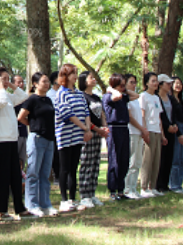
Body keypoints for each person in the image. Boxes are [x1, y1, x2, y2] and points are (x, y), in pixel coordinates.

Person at [0, 68, 33, 221]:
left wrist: (11, 86)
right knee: (2, 177)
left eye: (8, 79)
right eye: (3, 79)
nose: (6, 82)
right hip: (0, 140)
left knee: (15, 176)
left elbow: (24, 96)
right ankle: (2, 210)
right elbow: (2, 102)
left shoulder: (6, 93)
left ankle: (20, 208)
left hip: (12, 139)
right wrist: (0, 87)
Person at [18, 72, 58, 217]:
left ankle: (45, 204)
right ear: (35, 84)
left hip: (49, 140)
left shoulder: (48, 100)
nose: (47, 84)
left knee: (45, 174)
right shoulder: (32, 100)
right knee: (33, 173)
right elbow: (21, 117)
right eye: (44, 81)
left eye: (48, 82)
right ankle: (32, 205)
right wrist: (33, 125)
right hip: (37, 139)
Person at [54, 64, 93, 212]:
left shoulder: (78, 93)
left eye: (76, 73)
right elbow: (68, 114)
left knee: (73, 169)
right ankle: (64, 200)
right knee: (64, 169)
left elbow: (85, 112)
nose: (75, 76)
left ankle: (72, 199)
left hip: (78, 136)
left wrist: (88, 129)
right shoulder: (61, 93)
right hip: (65, 136)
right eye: (72, 73)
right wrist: (84, 128)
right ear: (65, 76)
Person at [77, 71, 109, 208]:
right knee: (86, 163)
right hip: (87, 133)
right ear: (84, 80)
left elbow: (102, 114)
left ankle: (92, 193)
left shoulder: (96, 97)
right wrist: (96, 129)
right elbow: (85, 117)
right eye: (91, 77)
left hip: (98, 133)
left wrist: (105, 127)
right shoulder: (81, 96)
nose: (94, 79)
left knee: (95, 163)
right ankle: (84, 195)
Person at [104, 73, 138, 201]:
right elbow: (117, 96)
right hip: (114, 129)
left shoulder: (124, 97)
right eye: (121, 85)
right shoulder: (108, 96)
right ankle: (113, 190)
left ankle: (121, 190)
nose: (123, 88)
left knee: (124, 160)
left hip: (124, 129)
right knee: (115, 160)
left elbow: (136, 95)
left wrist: (125, 89)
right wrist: (112, 89)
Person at [139, 72, 167, 198]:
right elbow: (142, 115)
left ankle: (152, 186)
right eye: (153, 81)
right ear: (146, 83)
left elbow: (159, 117)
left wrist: (163, 135)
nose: (156, 83)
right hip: (148, 130)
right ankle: (143, 187)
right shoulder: (143, 96)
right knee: (147, 160)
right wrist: (144, 131)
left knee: (156, 160)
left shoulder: (156, 98)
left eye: (156, 81)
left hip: (157, 131)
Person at [123, 74, 150, 200]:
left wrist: (143, 130)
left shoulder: (136, 99)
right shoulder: (126, 99)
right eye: (131, 82)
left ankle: (133, 188)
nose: (134, 85)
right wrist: (140, 128)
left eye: (135, 82)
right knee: (132, 162)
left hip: (139, 133)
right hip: (131, 132)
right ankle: (127, 189)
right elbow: (130, 118)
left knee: (138, 162)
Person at [155, 74, 178, 194]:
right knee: (161, 158)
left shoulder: (170, 98)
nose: (170, 86)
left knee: (169, 157)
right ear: (161, 84)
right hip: (162, 131)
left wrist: (174, 125)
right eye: (167, 84)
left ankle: (165, 184)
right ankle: (158, 184)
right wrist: (167, 126)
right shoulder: (156, 98)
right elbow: (159, 116)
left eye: (170, 84)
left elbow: (173, 114)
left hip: (172, 131)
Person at [12, 74, 28, 173]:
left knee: (22, 159)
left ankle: (21, 180)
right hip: (14, 134)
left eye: (22, 82)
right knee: (14, 159)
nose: (21, 84)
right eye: (19, 82)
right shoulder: (11, 99)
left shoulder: (26, 99)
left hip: (24, 132)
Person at [46, 71, 60, 183]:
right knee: (55, 154)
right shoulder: (49, 95)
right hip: (54, 128)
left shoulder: (65, 93)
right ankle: (57, 176)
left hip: (65, 128)